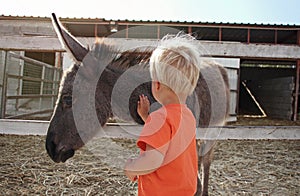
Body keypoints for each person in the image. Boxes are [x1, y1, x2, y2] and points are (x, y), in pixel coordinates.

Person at [124, 33, 202, 195]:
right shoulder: (188, 116)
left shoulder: (160, 118)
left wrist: (131, 168)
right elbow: (170, 138)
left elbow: (152, 161)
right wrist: (147, 118)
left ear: (157, 84)